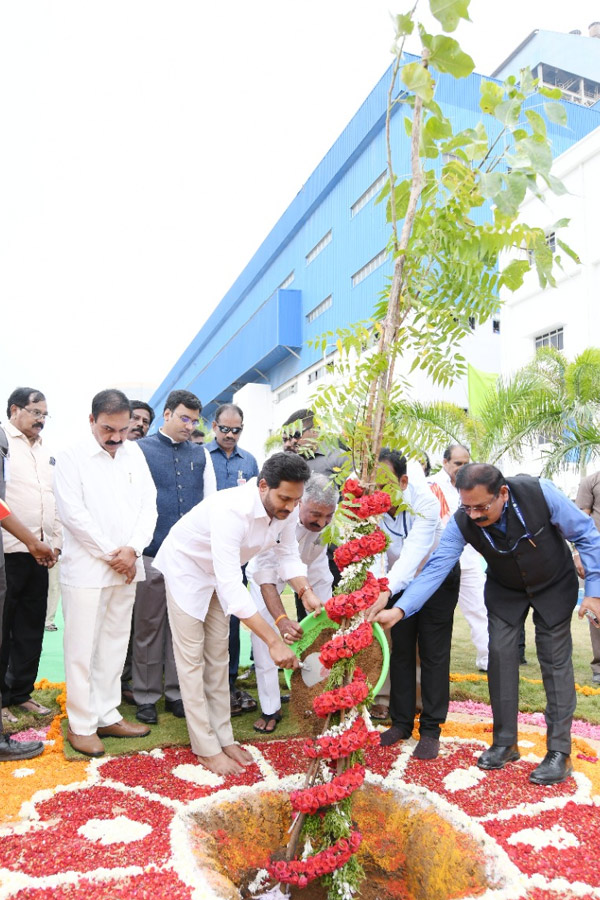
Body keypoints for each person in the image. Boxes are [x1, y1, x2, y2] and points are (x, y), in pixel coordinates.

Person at [372, 463, 600, 786]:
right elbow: (438, 567)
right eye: (468, 507)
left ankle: (559, 754)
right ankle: (505, 743)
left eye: (482, 507)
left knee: (554, 661)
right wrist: (401, 610)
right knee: (500, 655)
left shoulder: (540, 492)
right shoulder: (462, 521)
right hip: (505, 590)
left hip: (553, 583)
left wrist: (594, 592)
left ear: (502, 493)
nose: (475, 515)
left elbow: (587, 535)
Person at [153, 452, 322, 776]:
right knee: (192, 661)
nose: (289, 507)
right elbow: (233, 587)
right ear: (262, 486)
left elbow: (287, 556)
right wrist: (274, 641)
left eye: (295, 500)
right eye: (284, 498)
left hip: (220, 575)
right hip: (187, 569)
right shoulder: (231, 511)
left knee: (218, 654)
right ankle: (205, 747)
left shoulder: (286, 511)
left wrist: (306, 591)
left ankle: (224, 737)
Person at [54, 389, 158, 757]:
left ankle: (107, 714)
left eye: (123, 429)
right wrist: (113, 554)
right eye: (107, 429)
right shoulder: (70, 457)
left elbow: (149, 506)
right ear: (91, 421)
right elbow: (72, 514)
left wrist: (132, 550)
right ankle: (82, 725)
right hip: (86, 570)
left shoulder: (135, 454)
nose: (116, 437)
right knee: (82, 649)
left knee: (114, 645)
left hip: (126, 568)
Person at [132, 390, 216, 725]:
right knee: (148, 627)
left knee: (184, 629)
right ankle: (146, 696)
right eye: (184, 418)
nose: (189, 425)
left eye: (195, 420)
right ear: (167, 414)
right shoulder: (139, 450)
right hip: (151, 553)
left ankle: (176, 693)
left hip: (188, 560)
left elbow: (209, 504)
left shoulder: (201, 454)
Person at [370, 450, 459, 759]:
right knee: (401, 651)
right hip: (397, 581)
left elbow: (414, 552)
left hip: (436, 578)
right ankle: (402, 723)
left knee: (433, 654)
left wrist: (386, 589)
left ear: (403, 481)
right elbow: (375, 551)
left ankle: (431, 729)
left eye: (383, 484)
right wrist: (381, 585)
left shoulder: (426, 501)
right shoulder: (369, 502)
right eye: (372, 484)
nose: (375, 491)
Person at [247, 473, 337, 733]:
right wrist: (281, 620)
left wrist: (310, 592)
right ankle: (270, 707)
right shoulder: (277, 519)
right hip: (267, 572)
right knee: (267, 637)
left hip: (313, 569)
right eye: (316, 515)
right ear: (300, 503)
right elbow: (265, 578)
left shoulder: (330, 513)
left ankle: (320, 695)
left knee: (326, 634)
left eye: (328, 517)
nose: (321, 523)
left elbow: (318, 568)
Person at [1, 388, 61, 721]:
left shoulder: (46, 451)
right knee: (3, 629)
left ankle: (21, 693)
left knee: (30, 628)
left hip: (41, 553)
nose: (41, 420)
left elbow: (53, 500)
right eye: (35, 412)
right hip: (8, 552)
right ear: (14, 410)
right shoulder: (3, 442)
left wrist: (55, 544)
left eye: (44, 414)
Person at [206, 403, 260, 716]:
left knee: (234, 617)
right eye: (224, 429)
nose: (229, 434)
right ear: (214, 427)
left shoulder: (250, 462)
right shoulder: (201, 456)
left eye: (235, 430)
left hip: (236, 555)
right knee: (202, 619)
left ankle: (228, 684)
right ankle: (203, 685)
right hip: (204, 551)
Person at [430, 444, 489, 672]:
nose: (462, 468)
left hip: (469, 559)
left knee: (479, 608)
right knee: (435, 617)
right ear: (445, 463)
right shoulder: (431, 486)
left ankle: (487, 659)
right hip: (439, 561)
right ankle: (433, 666)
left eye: (466, 463)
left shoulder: (475, 486)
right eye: (458, 463)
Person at [575, 469, 600, 683]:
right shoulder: (591, 481)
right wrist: (578, 554)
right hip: (597, 556)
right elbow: (580, 519)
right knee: (597, 611)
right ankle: (599, 667)